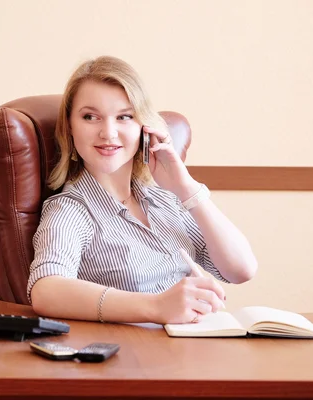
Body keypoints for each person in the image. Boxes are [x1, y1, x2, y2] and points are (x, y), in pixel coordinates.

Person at [27, 56, 257, 325]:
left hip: (194, 353)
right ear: (69, 127)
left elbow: (242, 269)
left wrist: (185, 186)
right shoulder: (72, 209)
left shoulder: (165, 199)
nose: (108, 133)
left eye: (125, 116)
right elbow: (46, 290)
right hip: (133, 358)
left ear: (144, 129)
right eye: (91, 117)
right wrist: (156, 306)